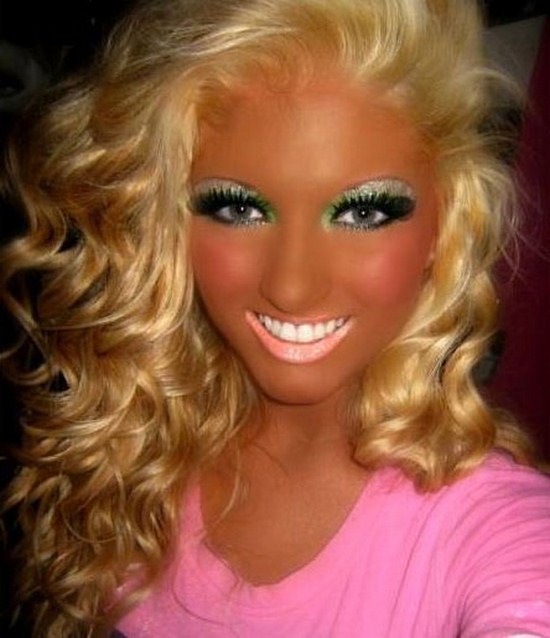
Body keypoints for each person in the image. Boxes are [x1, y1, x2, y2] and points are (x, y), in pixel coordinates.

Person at [1, 0, 550, 636]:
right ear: (166, 219)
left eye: (363, 213)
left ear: (445, 223)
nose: (291, 287)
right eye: (238, 208)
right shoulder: (129, 443)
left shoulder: (486, 527)